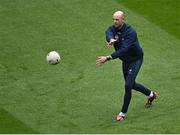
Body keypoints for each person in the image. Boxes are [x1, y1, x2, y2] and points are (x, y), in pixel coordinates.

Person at [96, 11, 158, 121]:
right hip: (125, 60)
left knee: (128, 85)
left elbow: (123, 50)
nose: (115, 21)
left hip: (135, 59)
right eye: (113, 19)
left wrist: (108, 58)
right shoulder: (113, 28)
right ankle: (151, 94)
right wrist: (110, 39)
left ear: (123, 20)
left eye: (117, 19)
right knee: (132, 84)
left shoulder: (131, 32)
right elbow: (108, 32)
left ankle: (122, 113)